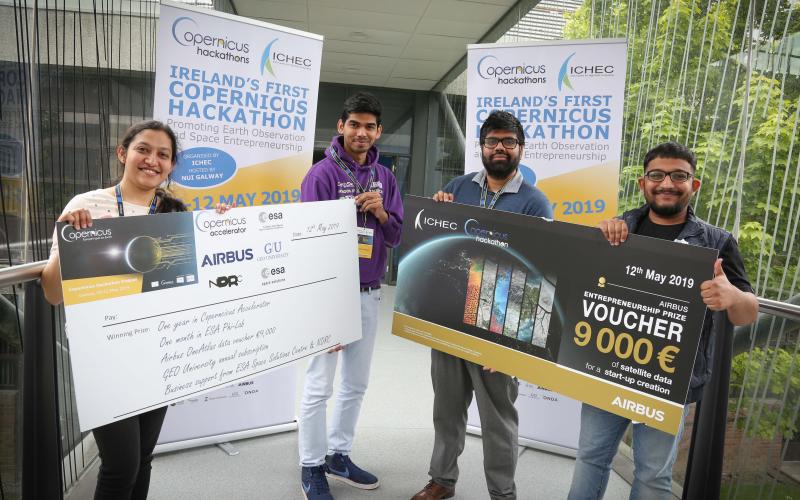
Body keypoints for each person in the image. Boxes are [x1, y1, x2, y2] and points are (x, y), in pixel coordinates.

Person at [41, 120, 230, 499]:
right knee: (120, 466)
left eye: (163, 154)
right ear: (123, 153)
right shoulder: (86, 206)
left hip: (156, 352)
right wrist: (72, 240)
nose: (152, 160)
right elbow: (51, 292)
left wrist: (226, 229)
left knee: (143, 457)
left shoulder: (176, 214)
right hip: (104, 355)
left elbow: (197, 286)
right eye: (144, 149)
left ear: (171, 165)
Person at [567, 142, 759, 500]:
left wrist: (732, 296)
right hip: (608, 369)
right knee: (590, 459)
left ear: (694, 185)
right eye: (657, 175)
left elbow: (747, 313)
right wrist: (598, 237)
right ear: (643, 183)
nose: (666, 183)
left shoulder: (717, 242)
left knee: (654, 476)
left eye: (678, 176)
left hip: (668, 382)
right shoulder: (618, 229)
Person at [411, 110, 552, 500]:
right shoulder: (459, 186)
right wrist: (438, 208)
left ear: (520, 148)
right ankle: (442, 479)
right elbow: (439, 243)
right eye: (493, 141)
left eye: (509, 141)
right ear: (482, 147)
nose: (500, 148)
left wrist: (511, 343)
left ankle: (503, 493)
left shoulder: (534, 203)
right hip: (452, 318)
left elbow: (539, 273)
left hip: (499, 326)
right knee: (447, 409)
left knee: (498, 420)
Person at [297, 91, 403, 500]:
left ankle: (338, 455)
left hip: (369, 292)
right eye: (354, 124)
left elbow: (395, 236)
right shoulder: (321, 175)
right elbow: (308, 242)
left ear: (379, 132)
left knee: (356, 383)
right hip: (330, 294)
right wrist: (327, 309)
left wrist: (379, 212)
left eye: (370, 126)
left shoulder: (386, 179)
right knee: (319, 384)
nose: (362, 132)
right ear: (340, 126)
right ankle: (311, 465)